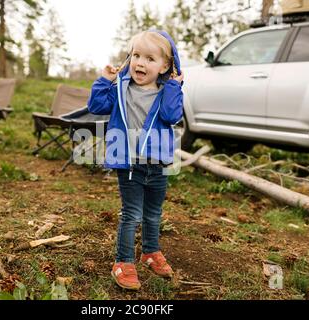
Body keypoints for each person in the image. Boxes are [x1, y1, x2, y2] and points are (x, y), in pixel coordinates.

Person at [87, 30, 184, 290]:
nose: (140, 63)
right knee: (131, 214)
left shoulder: (167, 92)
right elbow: (96, 106)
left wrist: (175, 85)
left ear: (165, 66)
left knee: (153, 214)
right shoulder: (121, 88)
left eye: (150, 58)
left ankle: (150, 252)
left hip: (158, 164)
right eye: (136, 55)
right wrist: (104, 80)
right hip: (129, 162)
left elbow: (172, 115)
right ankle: (124, 261)